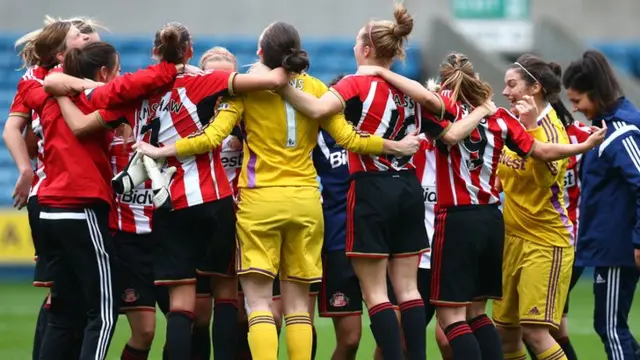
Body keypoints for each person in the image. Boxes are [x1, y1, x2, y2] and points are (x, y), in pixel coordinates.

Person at [134, 20, 419, 360]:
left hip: (260, 202)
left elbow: (211, 137)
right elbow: (348, 138)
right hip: (306, 203)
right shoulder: (315, 88)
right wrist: (393, 147)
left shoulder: (246, 91)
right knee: (298, 306)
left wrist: (162, 151)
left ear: (260, 53)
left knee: (258, 304)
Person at [45, 22, 291, 360]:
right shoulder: (207, 81)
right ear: (189, 51)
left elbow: (82, 118)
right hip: (212, 199)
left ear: (154, 52)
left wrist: (64, 90)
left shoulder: (134, 90)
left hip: (167, 205)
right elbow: (273, 81)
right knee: (225, 297)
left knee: (181, 306)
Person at [355, 52, 606, 360]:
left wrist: (380, 72)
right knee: (478, 314)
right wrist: (581, 146)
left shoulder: (442, 110)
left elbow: (441, 125)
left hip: (457, 219)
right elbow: (539, 150)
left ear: (445, 82)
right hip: (492, 220)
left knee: (451, 320)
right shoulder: (500, 116)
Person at [24, 41, 184, 360]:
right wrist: (171, 64)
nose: (121, 74)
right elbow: (87, 121)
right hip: (83, 207)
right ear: (103, 72)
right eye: (117, 69)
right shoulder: (104, 99)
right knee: (104, 314)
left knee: (62, 311)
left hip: (49, 207)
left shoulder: (48, 92)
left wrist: (64, 88)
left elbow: (43, 90)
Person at [4, 19, 93, 359]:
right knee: (69, 300)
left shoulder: (39, 80)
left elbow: (14, 129)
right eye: (80, 36)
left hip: (60, 194)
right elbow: (13, 130)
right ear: (60, 52)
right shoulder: (45, 82)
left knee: (67, 296)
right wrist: (27, 170)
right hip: (63, 194)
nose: (87, 40)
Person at [494, 54, 587, 360]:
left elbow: (546, 178)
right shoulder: (512, 126)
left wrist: (531, 125)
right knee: (505, 335)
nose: (506, 92)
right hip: (513, 240)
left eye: (512, 85)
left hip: (545, 242)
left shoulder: (551, 131)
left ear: (534, 88)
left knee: (535, 333)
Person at [563, 49, 640, 360]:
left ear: (595, 94)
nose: (575, 108)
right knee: (609, 325)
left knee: (610, 327)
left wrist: (638, 239)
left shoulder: (619, 132)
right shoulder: (606, 129)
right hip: (609, 245)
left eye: (578, 100)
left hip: (618, 248)